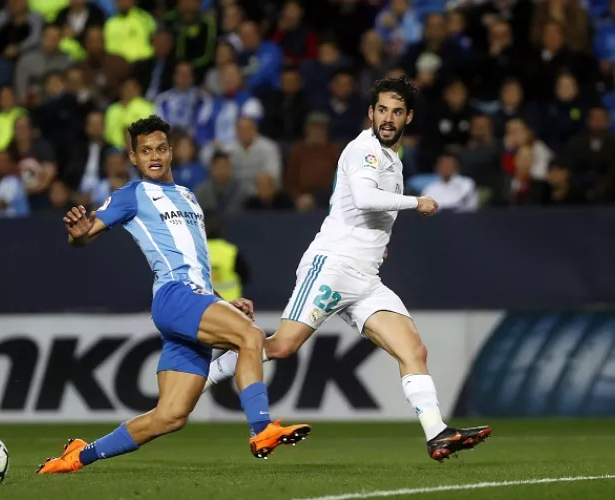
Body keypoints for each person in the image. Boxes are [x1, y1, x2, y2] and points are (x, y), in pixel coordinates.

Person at [202, 76, 492, 462]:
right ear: (371, 113)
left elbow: (357, 207)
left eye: (397, 111)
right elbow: (366, 197)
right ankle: (205, 373)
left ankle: (437, 433)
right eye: (383, 110)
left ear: (409, 117)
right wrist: (416, 201)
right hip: (332, 266)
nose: (389, 118)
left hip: (365, 278)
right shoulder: (365, 148)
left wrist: (378, 246)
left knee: (414, 349)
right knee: (282, 346)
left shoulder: (392, 158)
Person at [36, 115, 310, 475]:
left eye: (161, 148)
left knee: (170, 416)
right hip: (174, 296)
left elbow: (195, 263)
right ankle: (262, 430)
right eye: (145, 150)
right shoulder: (132, 194)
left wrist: (220, 303)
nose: (154, 156)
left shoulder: (188, 197)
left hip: (193, 300)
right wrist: (80, 232)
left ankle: (77, 456)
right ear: (133, 158)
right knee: (251, 335)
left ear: (171, 152)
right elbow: (87, 234)